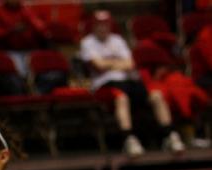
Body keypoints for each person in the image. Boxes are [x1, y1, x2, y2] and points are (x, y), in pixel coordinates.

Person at [79, 9, 185, 157]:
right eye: (99, 24)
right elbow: (98, 65)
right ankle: (129, 139)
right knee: (121, 98)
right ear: (93, 26)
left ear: (110, 25)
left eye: (105, 24)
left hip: (128, 80)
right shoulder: (87, 43)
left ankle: (171, 136)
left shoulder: (117, 40)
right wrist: (117, 63)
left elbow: (130, 64)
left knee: (156, 96)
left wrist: (109, 63)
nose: (102, 27)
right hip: (105, 84)